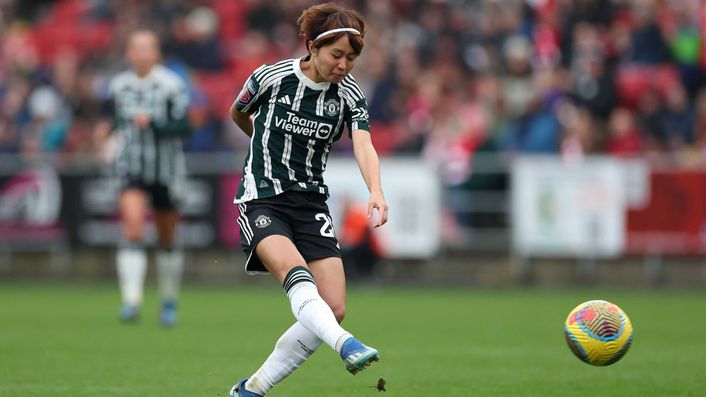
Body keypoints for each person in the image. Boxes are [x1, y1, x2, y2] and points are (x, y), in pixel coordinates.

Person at [227, 3, 388, 396]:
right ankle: (346, 344)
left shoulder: (350, 95)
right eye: (337, 54)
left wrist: (376, 190)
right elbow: (239, 112)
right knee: (296, 274)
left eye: (352, 57)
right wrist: (263, 145)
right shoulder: (270, 77)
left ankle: (251, 389)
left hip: (311, 203)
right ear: (312, 47)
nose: (344, 64)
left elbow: (364, 146)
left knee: (332, 307)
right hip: (263, 197)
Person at [104, 29, 191, 327]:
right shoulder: (118, 86)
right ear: (128, 53)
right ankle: (131, 301)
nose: (141, 54)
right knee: (132, 227)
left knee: (166, 237)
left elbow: (183, 126)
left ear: (156, 53)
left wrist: (154, 124)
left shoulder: (171, 84)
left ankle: (168, 299)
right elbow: (114, 120)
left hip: (166, 170)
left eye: (147, 48)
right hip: (131, 166)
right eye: (136, 48)